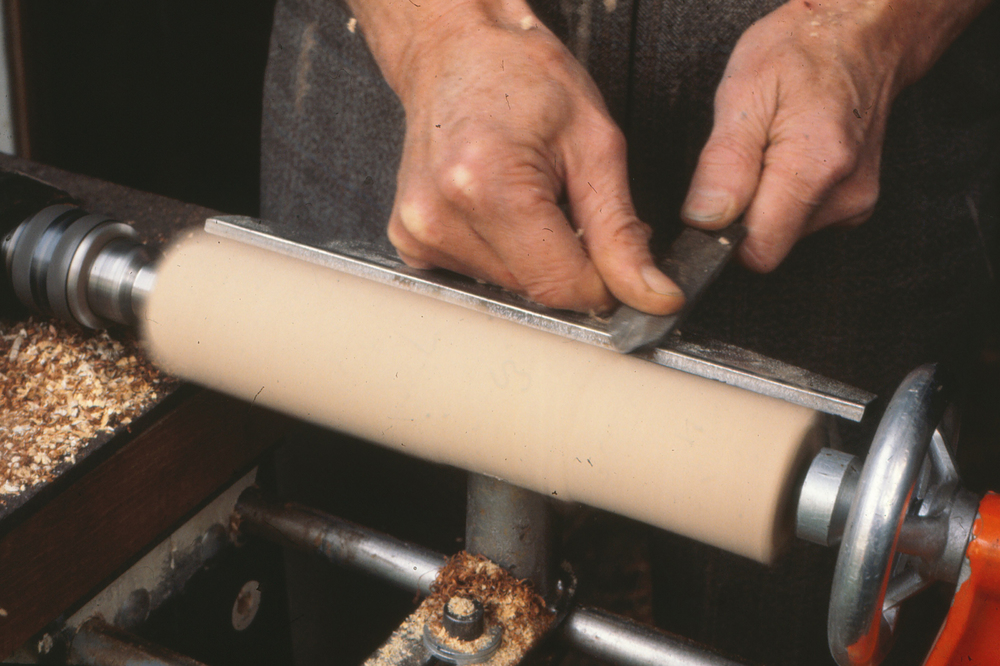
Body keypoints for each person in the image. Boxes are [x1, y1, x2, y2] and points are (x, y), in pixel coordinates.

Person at [260, 0, 999, 663]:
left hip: (837, 106)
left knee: (795, 600)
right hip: (407, 84)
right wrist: (437, 32)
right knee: (355, 568)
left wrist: (870, 28)